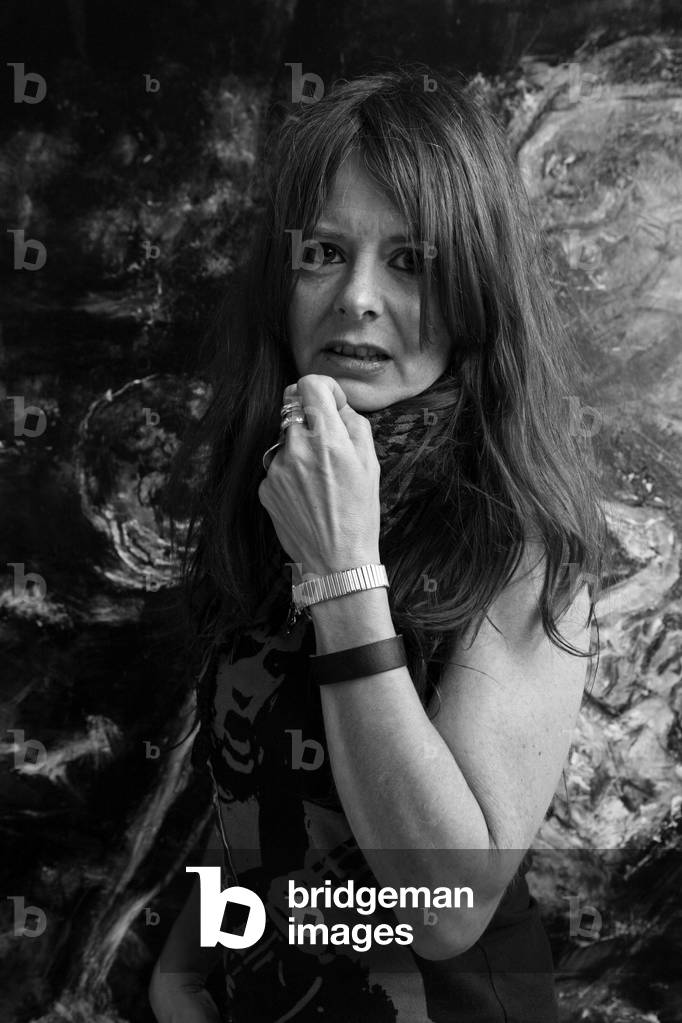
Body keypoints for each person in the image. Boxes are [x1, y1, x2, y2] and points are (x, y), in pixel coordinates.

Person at [149, 66, 604, 1023]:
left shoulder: (521, 539)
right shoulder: (275, 483)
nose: (357, 296)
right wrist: (185, 965)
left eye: (409, 260)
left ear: (473, 292)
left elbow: (447, 908)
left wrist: (341, 573)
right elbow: (256, 778)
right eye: (324, 251)